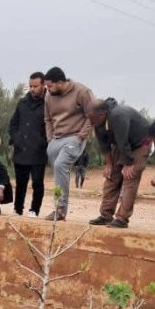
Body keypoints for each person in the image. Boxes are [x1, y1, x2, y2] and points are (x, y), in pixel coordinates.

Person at [87, 99, 151, 228]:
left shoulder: (118, 115)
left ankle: (122, 219)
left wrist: (128, 163)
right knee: (111, 177)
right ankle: (105, 215)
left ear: (102, 113)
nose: (89, 121)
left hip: (140, 144)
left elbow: (123, 141)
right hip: (121, 145)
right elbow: (104, 146)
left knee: (129, 177)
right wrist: (109, 165)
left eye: (91, 118)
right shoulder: (97, 121)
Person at [43, 67, 95, 221]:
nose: (48, 90)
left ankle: (60, 209)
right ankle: (58, 207)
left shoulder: (82, 91)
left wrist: (80, 137)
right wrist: (50, 139)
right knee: (59, 173)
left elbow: (92, 115)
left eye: (50, 86)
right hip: (55, 139)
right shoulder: (49, 95)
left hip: (74, 136)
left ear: (60, 82)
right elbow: (47, 119)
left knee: (60, 165)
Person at [9, 72, 47, 217]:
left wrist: (42, 142)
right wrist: (16, 138)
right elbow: (13, 124)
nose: (32, 89)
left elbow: (52, 126)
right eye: (30, 86)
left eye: (35, 86)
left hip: (38, 151)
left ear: (43, 85)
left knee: (37, 183)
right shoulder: (22, 102)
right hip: (21, 150)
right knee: (20, 183)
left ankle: (34, 210)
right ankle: (17, 209)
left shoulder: (48, 103)